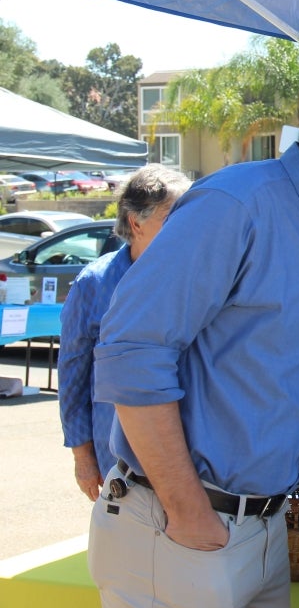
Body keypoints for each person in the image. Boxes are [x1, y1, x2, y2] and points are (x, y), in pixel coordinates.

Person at [90, 49, 299, 608]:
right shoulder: (237, 204)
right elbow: (132, 351)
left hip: (270, 531)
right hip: (182, 527)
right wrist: (190, 512)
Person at [58, 164, 191, 501]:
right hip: (119, 462)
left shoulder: (197, 282)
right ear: (136, 223)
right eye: (172, 218)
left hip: (188, 457)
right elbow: (72, 374)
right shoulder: (95, 284)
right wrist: (82, 457)